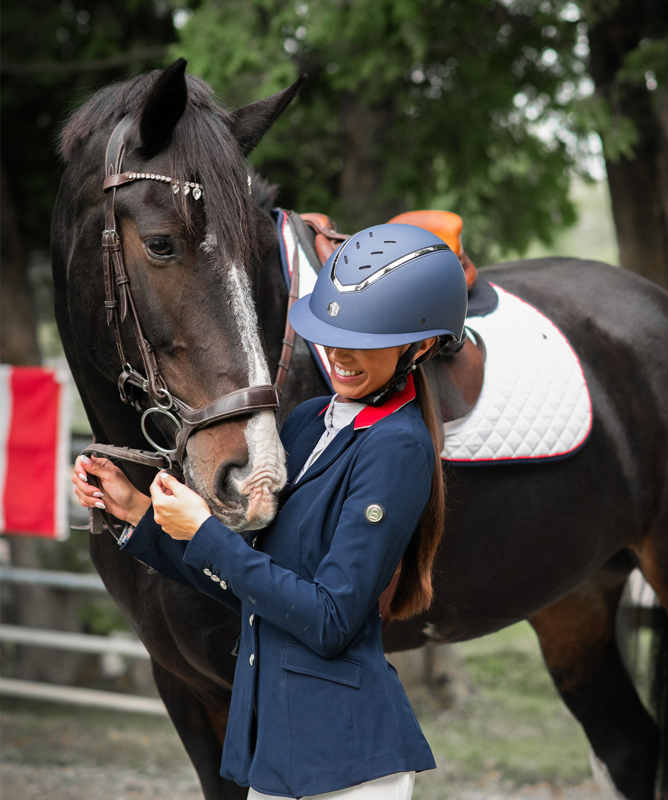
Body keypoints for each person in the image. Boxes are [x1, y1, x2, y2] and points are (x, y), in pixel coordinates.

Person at [72, 223, 468, 800]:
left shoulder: (398, 447)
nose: (339, 353)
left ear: (422, 346)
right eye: (331, 332)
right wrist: (138, 515)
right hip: (276, 755)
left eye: (366, 336)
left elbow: (330, 620)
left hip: (348, 760)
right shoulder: (309, 420)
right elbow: (253, 587)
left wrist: (207, 531)